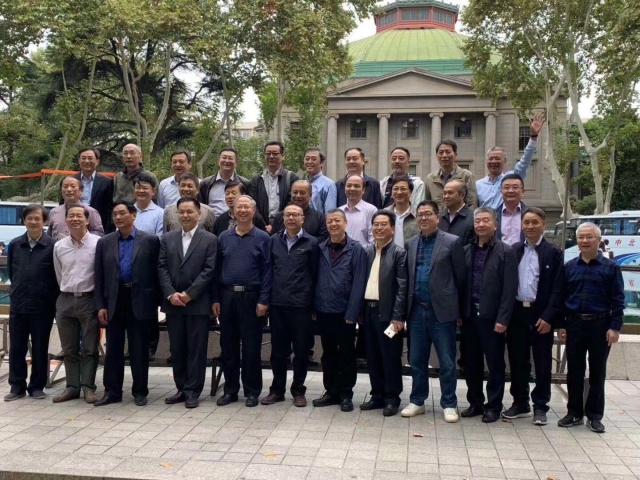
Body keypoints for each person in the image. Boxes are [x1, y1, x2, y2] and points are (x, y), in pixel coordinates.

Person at [400, 200, 466, 423]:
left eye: (428, 214)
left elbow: (460, 278)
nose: (424, 218)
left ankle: (449, 403)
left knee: (446, 361)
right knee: (417, 360)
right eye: (420, 214)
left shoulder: (452, 242)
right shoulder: (410, 244)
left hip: (442, 313)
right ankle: (417, 401)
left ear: (438, 218)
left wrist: (458, 311)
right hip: (416, 311)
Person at [558, 222, 624, 433]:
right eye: (581, 237)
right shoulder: (569, 267)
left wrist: (615, 327)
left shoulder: (611, 267)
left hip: (600, 325)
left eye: (589, 237)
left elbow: (618, 300)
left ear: (599, 240)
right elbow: (562, 297)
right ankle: (574, 412)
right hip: (575, 324)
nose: (585, 241)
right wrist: (562, 325)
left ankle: (595, 416)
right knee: (574, 371)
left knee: (597, 371)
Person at [94, 202, 161, 407]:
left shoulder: (150, 241)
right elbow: (99, 276)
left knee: (138, 348)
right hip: (114, 299)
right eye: (115, 214)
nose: (118, 217)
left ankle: (140, 391)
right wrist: (101, 305)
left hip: (140, 299)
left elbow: (157, 273)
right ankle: (112, 391)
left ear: (133, 215)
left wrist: (156, 304)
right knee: (113, 349)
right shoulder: (104, 242)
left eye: (122, 213)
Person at [503, 207, 565, 426]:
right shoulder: (514, 250)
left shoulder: (553, 252)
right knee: (517, 360)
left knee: (542, 362)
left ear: (543, 225)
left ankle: (540, 405)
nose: (530, 226)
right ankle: (520, 403)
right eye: (526, 222)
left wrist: (549, 317)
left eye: (534, 222)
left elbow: (558, 288)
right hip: (517, 313)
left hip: (541, 316)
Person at [158, 197, 217, 409]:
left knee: (196, 349)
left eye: (189, 211)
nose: (185, 215)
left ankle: (193, 391)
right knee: (177, 348)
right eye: (181, 212)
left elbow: (209, 270)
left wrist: (189, 294)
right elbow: (162, 267)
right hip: (173, 304)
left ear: (199, 214)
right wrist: (171, 294)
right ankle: (181, 388)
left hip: (197, 304)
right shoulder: (168, 238)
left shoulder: (210, 239)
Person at [213, 195, 271, 408]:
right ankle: (230, 390)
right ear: (233, 211)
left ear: (254, 211)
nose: (243, 210)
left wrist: (264, 300)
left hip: (252, 298)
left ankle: (252, 391)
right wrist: (215, 298)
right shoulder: (224, 237)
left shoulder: (263, 238)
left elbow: (268, 271)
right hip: (227, 297)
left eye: (247, 207)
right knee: (228, 346)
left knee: (251, 347)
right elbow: (216, 270)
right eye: (239, 207)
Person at [461, 206, 518, 423]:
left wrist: (503, 319)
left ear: (495, 225)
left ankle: (494, 405)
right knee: (471, 362)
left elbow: (509, 289)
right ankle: (475, 402)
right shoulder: (466, 250)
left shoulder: (506, 251)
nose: (481, 224)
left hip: (493, 318)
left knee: (495, 364)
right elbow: (461, 284)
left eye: (486, 220)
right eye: (478, 221)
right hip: (469, 316)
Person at [261, 204, 319, 408]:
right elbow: (268, 271)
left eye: (295, 215)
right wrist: (265, 300)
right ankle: (277, 390)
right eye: (288, 215)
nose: (291, 218)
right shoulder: (273, 240)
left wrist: (313, 306)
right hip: (278, 305)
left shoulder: (312, 243)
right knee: (278, 351)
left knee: (302, 351)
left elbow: (315, 275)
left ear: (303, 218)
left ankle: (298, 390)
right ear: (283, 218)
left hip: (302, 306)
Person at [313, 209, 367, 412]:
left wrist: (352, 313)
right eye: (330, 221)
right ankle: (331, 391)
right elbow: (314, 278)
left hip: (345, 313)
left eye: (337, 220)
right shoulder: (320, 248)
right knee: (328, 353)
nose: (333, 224)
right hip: (324, 310)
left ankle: (346, 393)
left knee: (346, 353)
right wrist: (314, 307)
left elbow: (359, 282)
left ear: (345, 223)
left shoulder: (356, 249)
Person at [4, 205, 58, 401]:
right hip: (18, 304)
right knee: (16, 347)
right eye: (30, 218)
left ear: (44, 222)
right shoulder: (15, 244)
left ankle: (37, 386)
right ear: (24, 221)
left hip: (43, 305)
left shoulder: (53, 246)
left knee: (40, 348)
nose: (33, 222)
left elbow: (56, 276)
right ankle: (16, 386)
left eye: (37, 219)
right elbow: (12, 272)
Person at [52, 204, 101, 404]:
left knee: (89, 348)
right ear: (66, 220)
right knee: (69, 348)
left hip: (89, 299)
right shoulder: (59, 246)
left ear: (87, 220)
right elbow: (59, 274)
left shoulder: (98, 244)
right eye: (71, 216)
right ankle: (72, 387)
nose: (75, 219)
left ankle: (88, 387)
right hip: (65, 299)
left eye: (79, 216)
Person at [359, 211, 407, 416]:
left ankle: (392, 398)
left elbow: (402, 287)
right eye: (375, 224)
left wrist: (398, 316)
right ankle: (377, 395)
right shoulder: (367, 252)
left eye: (383, 224)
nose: (378, 228)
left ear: (393, 229)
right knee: (372, 356)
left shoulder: (399, 253)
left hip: (388, 314)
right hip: (368, 311)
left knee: (390, 357)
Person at [477, 112, 546, 208]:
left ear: (505, 162)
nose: (494, 162)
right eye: (491, 159)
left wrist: (533, 137)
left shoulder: (511, 178)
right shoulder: (478, 185)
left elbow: (524, 162)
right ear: (486, 162)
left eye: (497, 159)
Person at [248, 141, 299, 230]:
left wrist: (276, 224)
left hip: (285, 225)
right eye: (268, 153)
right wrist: (263, 225)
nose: (271, 156)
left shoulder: (291, 178)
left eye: (275, 153)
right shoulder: (256, 179)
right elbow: (252, 204)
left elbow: (293, 202)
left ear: (283, 156)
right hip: (261, 227)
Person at [66, 147, 114, 233]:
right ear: (79, 161)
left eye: (90, 158)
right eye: (83, 158)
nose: (87, 161)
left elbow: (109, 210)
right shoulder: (70, 180)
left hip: (98, 226)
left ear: (97, 161)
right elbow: (63, 203)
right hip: (74, 223)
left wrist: (107, 232)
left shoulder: (107, 182)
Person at [424, 140, 478, 211]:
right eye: (441, 152)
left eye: (448, 152)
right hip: (438, 218)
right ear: (437, 155)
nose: (444, 155)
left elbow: (472, 203)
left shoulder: (466, 176)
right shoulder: (430, 179)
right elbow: (427, 204)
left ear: (455, 154)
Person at [199, 148, 250, 216]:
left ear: (236, 162)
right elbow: (200, 206)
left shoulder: (245, 183)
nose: (227, 160)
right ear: (218, 161)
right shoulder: (206, 183)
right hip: (212, 221)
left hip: (236, 220)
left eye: (230, 158)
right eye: (224, 157)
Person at [339, 174, 378, 249]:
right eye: (349, 186)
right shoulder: (339, 211)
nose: (352, 189)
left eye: (356, 186)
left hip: (364, 254)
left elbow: (373, 240)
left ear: (363, 190)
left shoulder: (371, 210)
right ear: (344, 188)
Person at [383, 175, 419, 248]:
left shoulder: (418, 214)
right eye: (395, 189)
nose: (399, 192)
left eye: (403, 189)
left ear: (411, 192)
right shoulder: (384, 213)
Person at [439, 179, 475, 246]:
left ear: (462, 195)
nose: (446, 196)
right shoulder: (439, 218)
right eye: (444, 193)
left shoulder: (473, 218)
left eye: (450, 193)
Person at [304, 148, 337, 214]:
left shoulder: (328, 184)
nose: (309, 162)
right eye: (307, 159)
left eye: (313, 159)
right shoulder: (302, 183)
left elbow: (330, 212)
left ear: (321, 163)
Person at [496, 174, 527, 245]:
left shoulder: (530, 214)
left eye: (515, 187)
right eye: (507, 188)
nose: (510, 191)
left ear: (523, 191)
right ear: (501, 192)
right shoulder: (494, 215)